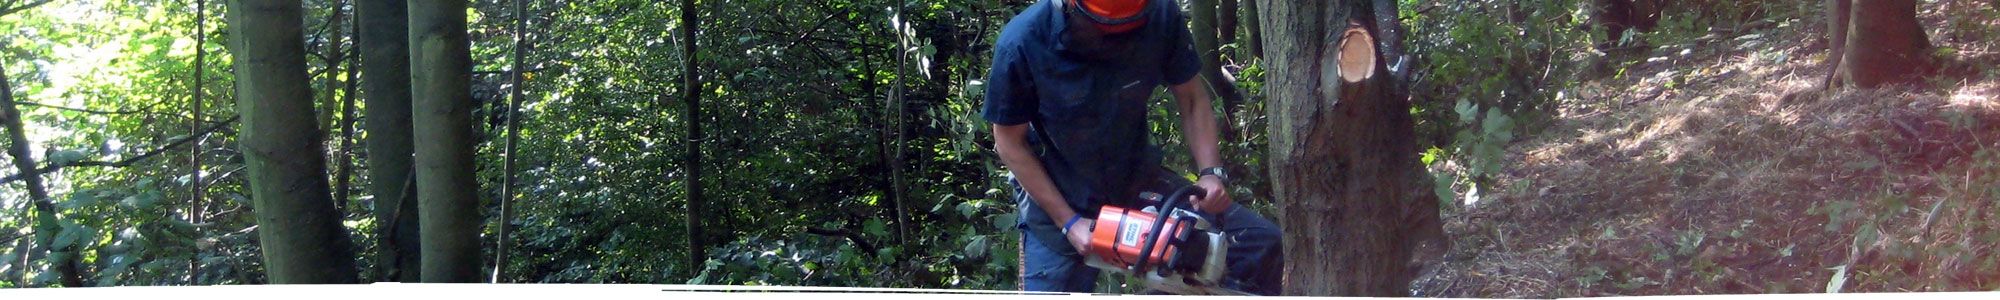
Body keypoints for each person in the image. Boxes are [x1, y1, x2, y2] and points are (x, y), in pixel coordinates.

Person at [981, 0, 1283, 295]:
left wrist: (1210, 173)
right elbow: (1009, 142)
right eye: (1103, 25)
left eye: (1128, 26)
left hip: (1137, 180)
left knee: (1259, 246)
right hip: (1059, 195)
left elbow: (1192, 98)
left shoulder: (1161, 15)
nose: (1115, 37)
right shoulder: (1022, 42)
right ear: (1070, 6)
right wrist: (1069, 223)